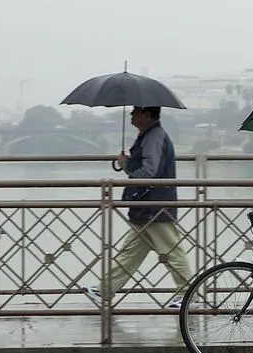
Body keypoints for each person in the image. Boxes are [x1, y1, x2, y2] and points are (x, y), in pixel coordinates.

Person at [82, 106, 193, 309]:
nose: (131, 114)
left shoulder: (154, 136)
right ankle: (104, 290)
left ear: (147, 114)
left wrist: (126, 165)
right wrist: (127, 162)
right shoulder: (148, 135)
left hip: (154, 204)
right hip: (146, 204)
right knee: (130, 252)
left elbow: (150, 171)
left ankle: (189, 297)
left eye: (136, 111)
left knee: (172, 250)